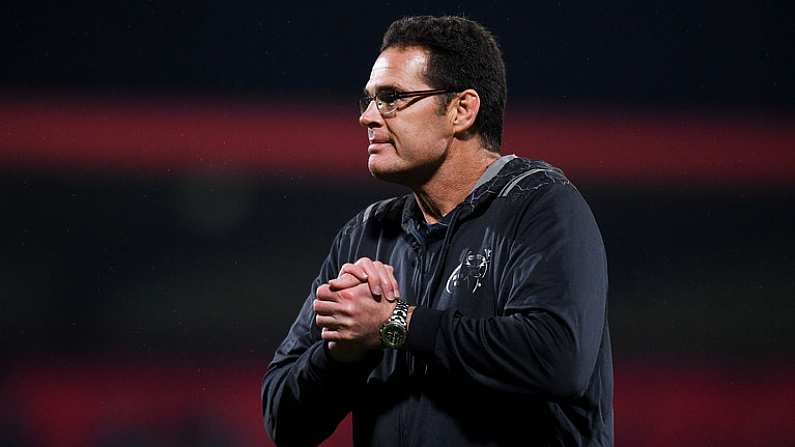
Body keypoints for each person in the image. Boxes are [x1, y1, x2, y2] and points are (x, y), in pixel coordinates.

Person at [261, 15, 613, 447]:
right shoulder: (366, 234)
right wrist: (344, 353)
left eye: (392, 98)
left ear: (461, 110)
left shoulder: (542, 206)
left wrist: (395, 323)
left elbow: (558, 358)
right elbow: (284, 421)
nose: (368, 117)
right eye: (368, 100)